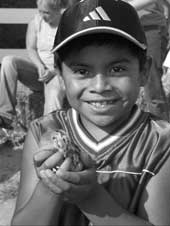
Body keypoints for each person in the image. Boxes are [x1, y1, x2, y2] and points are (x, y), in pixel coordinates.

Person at [11, 0, 170, 225]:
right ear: (60, 74)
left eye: (117, 69)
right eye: (82, 70)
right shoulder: (43, 132)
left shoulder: (161, 142)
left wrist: (92, 199)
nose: (100, 86)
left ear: (144, 71)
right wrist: (51, 186)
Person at [0, 0, 66, 129]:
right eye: (40, 11)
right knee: (9, 61)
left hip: (58, 74)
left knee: (53, 90)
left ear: (58, 10)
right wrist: (39, 66)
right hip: (38, 73)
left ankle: (49, 133)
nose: (42, 15)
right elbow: (31, 48)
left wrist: (53, 71)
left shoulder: (68, 24)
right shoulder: (36, 22)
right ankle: (5, 116)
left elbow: (72, 56)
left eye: (46, 12)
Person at [126, 0, 170, 121]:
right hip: (124, 27)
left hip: (150, 28)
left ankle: (162, 131)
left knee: (152, 85)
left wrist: (118, 7)